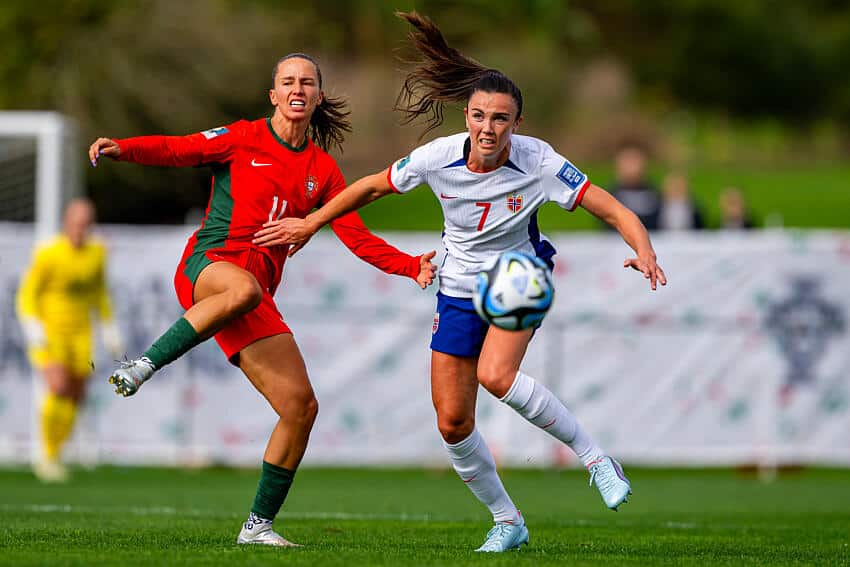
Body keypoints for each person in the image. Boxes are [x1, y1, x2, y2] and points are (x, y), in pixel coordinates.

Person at [258, 12, 667, 553]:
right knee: (452, 422)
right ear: (466, 117)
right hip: (457, 285)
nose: (488, 128)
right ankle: (507, 520)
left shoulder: (539, 161)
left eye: (501, 119)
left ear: (516, 125)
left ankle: (596, 460)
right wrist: (312, 221)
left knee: (498, 374)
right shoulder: (438, 157)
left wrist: (643, 250)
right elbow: (371, 188)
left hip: (520, 273)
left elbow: (611, 207)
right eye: (479, 116)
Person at [87, 53, 437, 547]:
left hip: (251, 300)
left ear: (317, 96)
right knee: (242, 288)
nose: (298, 88)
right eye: (288, 81)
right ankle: (143, 364)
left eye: (307, 82)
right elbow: (179, 149)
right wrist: (125, 148)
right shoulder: (243, 137)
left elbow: (356, 235)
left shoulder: (323, 171)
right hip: (207, 268)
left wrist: (408, 265)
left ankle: (257, 527)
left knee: (300, 407)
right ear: (273, 95)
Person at [16, 198, 124, 482]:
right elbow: (27, 294)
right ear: (67, 222)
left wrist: (109, 326)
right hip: (50, 332)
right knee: (58, 386)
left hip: (81, 333)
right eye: (77, 222)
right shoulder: (48, 253)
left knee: (76, 395)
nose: (81, 228)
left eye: (86, 223)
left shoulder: (96, 254)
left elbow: (99, 293)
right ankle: (46, 455)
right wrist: (32, 325)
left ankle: (56, 453)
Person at [610, 143, 661, 230]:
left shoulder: (654, 195)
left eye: (635, 160)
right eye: (627, 160)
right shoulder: (610, 195)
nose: (631, 167)